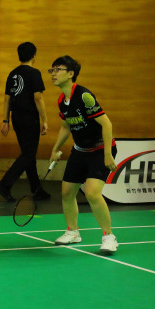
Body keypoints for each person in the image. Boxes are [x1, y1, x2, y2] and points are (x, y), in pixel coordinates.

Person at [48, 56, 118, 254]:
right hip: (80, 150)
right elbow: (66, 126)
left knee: (92, 193)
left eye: (58, 70)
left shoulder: (84, 96)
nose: (53, 74)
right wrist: (55, 148)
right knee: (67, 193)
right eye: (52, 70)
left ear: (70, 74)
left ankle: (109, 236)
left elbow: (106, 124)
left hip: (99, 150)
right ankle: (73, 232)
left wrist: (107, 154)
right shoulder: (62, 101)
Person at [0, 42, 50, 202]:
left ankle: (37, 189)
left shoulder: (12, 74)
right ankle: (4, 184)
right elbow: (38, 98)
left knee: (28, 153)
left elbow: (7, 99)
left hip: (16, 117)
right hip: (29, 118)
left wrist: (6, 120)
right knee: (28, 154)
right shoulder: (34, 73)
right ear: (34, 55)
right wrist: (45, 120)